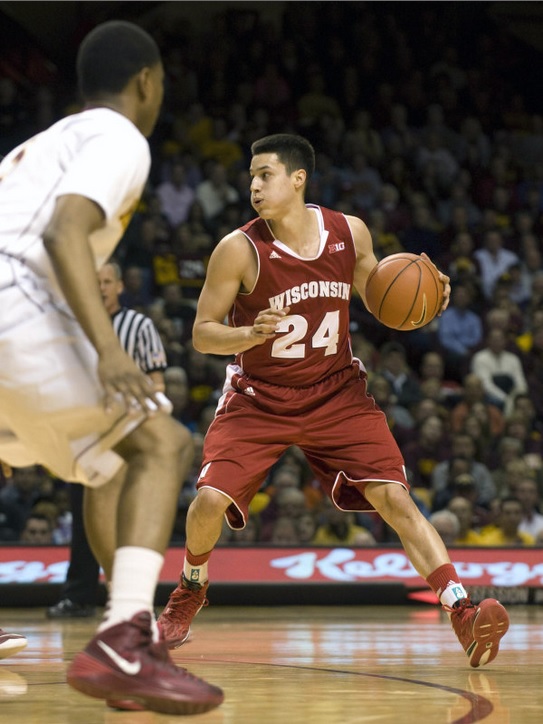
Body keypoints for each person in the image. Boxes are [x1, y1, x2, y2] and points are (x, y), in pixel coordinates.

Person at [157, 133, 509, 668]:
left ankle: (461, 610)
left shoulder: (349, 232)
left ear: (298, 179)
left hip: (336, 392)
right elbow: (203, 334)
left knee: (396, 498)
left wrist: (427, 299)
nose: (254, 185)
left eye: (265, 174)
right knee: (207, 501)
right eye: (251, 176)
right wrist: (249, 334)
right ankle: (192, 586)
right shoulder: (238, 249)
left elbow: (379, 295)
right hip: (259, 397)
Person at [0, 21, 222, 715]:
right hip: (16, 305)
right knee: (162, 442)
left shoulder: (33, 147)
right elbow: (64, 230)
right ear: (147, 81)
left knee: (102, 461)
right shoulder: (118, 135)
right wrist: (108, 347)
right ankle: (126, 641)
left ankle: (125, 638)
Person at [47, 261, 169, 619]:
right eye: (93, 280)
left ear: (119, 286)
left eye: (106, 281)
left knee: (129, 517)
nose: (100, 287)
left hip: (128, 430)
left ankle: (131, 598)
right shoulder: (70, 325)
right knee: (84, 519)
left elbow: (158, 382)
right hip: (82, 431)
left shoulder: (139, 326)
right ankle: (81, 596)